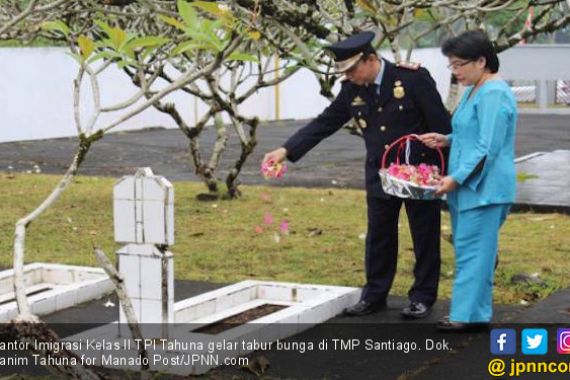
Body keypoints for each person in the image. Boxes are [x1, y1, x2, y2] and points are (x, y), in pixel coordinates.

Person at [262, 31, 451, 318]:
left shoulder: (412, 79)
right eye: (345, 72)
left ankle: (423, 296)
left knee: (424, 233)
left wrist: (445, 175)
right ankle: (374, 295)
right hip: (380, 173)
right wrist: (285, 150)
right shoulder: (352, 89)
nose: (348, 76)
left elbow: (442, 127)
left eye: (352, 69)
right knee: (379, 235)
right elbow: (325, 122)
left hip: (419, 172)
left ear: (371, 59)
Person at [418, 30, 517, 330]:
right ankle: (474, 313)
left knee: (474, 251)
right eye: (452, 65)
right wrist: (445, 139)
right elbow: (469, 133)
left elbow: (488, 148)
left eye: (460, 64)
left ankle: (464, 316)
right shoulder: (475, 89)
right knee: (471, 250)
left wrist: (455, 179)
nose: (455, 71)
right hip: (468, 187)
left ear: (481, 61)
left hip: (483, 189)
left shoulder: (495, 93)